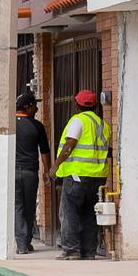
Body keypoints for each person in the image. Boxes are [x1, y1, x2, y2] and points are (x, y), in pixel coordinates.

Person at [50, 89, 112, 260]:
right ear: (95, 106)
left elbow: (70, 144)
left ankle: (71, 250)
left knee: (69, 212)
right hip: (97, 177)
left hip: (77, 175)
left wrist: (55, 166)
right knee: (89, 215)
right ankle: (89, 251)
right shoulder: (103, 125)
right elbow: (107, 151)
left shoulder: (78, 121)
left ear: (76, 104)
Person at [14, 92, 51, 254]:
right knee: (28, 208)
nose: (36, 108)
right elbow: (44, 151)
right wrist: (47, 171)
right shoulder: (37, 126)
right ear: (27, 107)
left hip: (13, 172)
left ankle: (22, 243)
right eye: (34, 105)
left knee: (17, 207)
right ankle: (25, 241)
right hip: (30, 172)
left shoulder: (9, 124)